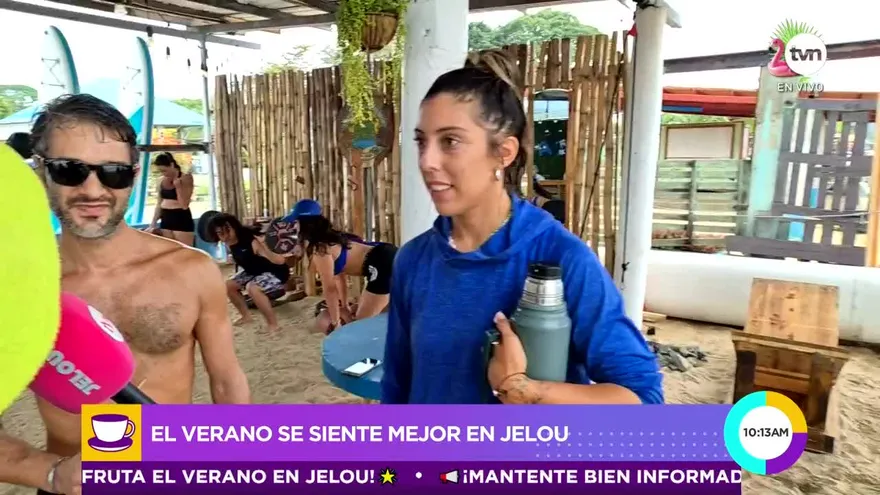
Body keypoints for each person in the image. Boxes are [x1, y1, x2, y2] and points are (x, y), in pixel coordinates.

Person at [0, 94, 251, 495]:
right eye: (70, 170)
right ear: (39, 172)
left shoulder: (191, 271)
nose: (93, 189)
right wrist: (49, 473)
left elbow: (226, 381)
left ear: (134, 176)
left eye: (113, 173)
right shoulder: (15, 289)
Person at [380, 50, 662, 405]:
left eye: (450, 141)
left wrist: (524, 390)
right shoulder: (414, 260)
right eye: (422, 141)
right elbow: (397, 386)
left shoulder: (562, 259)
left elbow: (643, 399)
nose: (427, 161)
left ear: (504, 152)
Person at [287, 199, 398, 333]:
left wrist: (336, 322)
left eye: (296, 223)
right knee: (383, 313)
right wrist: (344, 305)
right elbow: (340, 278)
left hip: (381, 262)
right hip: (385, 254)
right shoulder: (332, 238)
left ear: (303, 224)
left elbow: (330, 289)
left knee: (361, 325)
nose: (295, 228)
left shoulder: (320, 249)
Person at [209, 212, 290, 331]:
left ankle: (273, 325)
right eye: (220, 233)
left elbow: (280, 261)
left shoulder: (252, 240)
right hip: (254, 271)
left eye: (227, 230)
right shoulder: (227, 243)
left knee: (253, 288)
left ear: (234, 227)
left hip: (276, 272)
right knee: (228, 286)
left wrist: (264, 245)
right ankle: (246, 317)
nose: (225, 235)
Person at [147, 152, 195, 246]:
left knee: (184, 252)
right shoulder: (160, 180)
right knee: (169, 251)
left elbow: (184, 205)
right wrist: (153, 223)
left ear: (172, 165)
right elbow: (159, 203)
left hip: (181, 217)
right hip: (166, 218)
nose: (163, 173)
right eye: (160, 171)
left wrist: (178, 187)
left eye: (165, 170)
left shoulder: (185, 178)